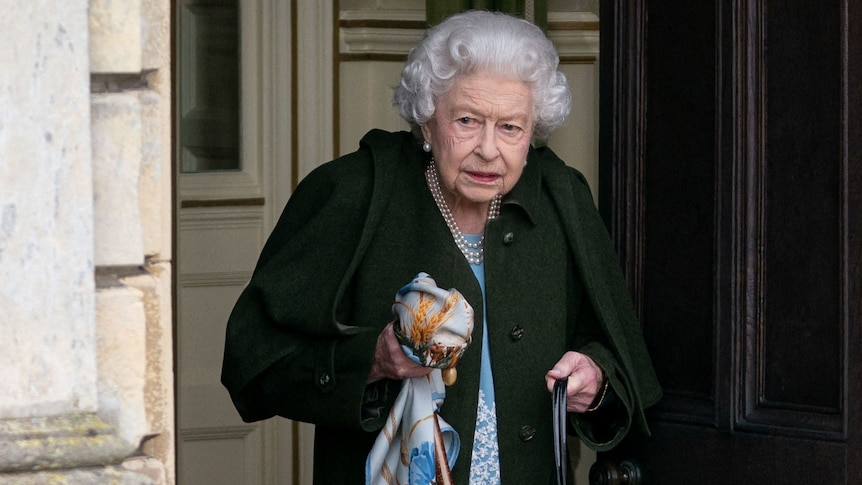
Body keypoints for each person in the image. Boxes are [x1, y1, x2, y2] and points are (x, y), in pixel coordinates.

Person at [221, 9, 661, 484]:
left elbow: (615, 358)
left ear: (532, 131)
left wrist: (594, 382)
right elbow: (253, 362)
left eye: (511, 127)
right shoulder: (352, 193)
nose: (489, 149)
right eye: (468, 120)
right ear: (427, 120)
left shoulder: (562, 197)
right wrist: (372, 360)